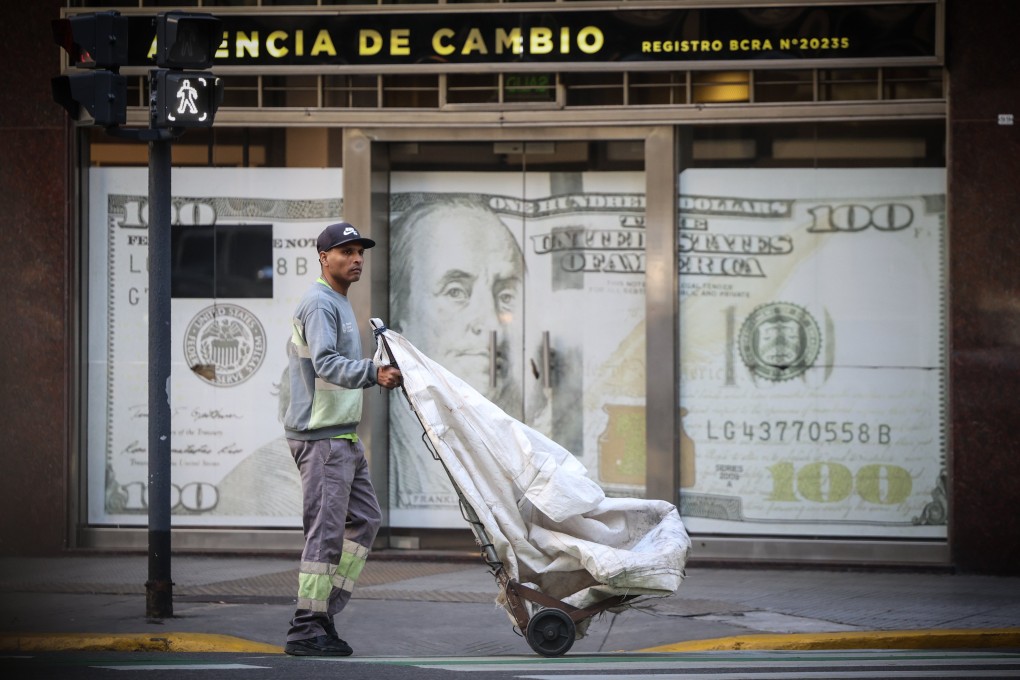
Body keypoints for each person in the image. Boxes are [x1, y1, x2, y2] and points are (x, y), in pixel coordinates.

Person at [281, 221, 402, 657]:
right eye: (346, 252)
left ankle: (322, 610)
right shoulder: (319, 303)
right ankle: (306, 626)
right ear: (323, 257)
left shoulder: (338, 302)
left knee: (365, 520)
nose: (356, 260)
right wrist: (374, 372)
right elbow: (327, 364)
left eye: (359, 253)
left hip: (342, 436)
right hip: (322, 439)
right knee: (325, 533)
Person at [387, 197, 527, 520]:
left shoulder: (512, 440)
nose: (492, 323)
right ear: (399, 313)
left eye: (505, 296)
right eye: (455, 291)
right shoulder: (277, 482)